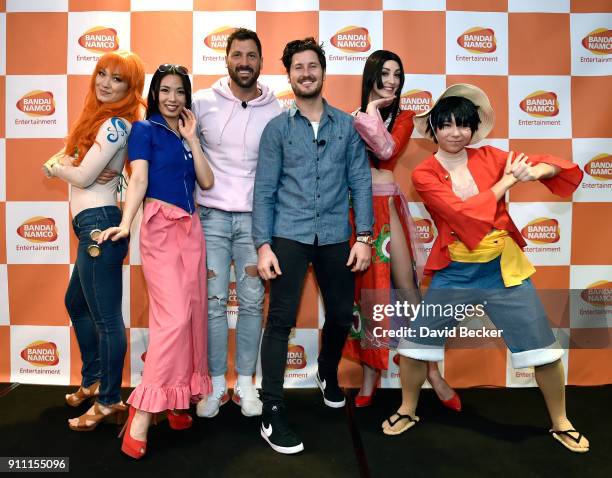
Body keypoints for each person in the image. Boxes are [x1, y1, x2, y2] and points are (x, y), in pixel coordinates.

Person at [384, 83, 589, 454]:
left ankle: (561, 421)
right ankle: (408, 409)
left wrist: (536, 171)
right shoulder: (424, 174)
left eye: (462, 125)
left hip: (502, 269)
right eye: (444, 125)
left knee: (544, 351)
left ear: (473, 128)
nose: (454, 132)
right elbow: (464, 215)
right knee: (415, 347)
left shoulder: (492, 157)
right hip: (455, 272)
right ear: (433, 129)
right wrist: (511, 179)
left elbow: (556, 164)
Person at [253, 38, 374, 454]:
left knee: (341, 313)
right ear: (288, 76)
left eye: (312, 66)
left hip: (338, 236)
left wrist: (364, 237)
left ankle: (327, 370)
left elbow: (361, 181)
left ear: (323, 72)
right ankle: (271, 409)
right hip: (288, 233)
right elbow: (264, 191)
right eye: (298, 68)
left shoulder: (346, 127)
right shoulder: (277, 129)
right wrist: (263, 245)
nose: (306, 73)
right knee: (280, 321)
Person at [97, 64, 214, 459]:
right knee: (175, 317)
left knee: (192, 315)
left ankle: (178, 401)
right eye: (165, 90)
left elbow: (207, 181)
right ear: (153, 94)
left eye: (180, 91)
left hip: (191, 230)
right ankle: (142, 413)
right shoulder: (143, 130)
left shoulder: (183, 134)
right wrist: (126, 223)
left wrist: (194, 140)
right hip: (161, 227)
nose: (172, 98)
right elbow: (140, 181)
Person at [346, 50, 460, 411]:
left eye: (398, 74)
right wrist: (367, 111)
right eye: (385, 73)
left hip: (385, 204)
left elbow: (385, 149)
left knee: (408, 289)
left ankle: (432, 371)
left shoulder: (406, 117)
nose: (392, 80)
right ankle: (370, 373)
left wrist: (373, 112)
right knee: (366, 296)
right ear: (372, 75)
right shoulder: (350, 118)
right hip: (353, 210)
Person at [43, 51, 145, 432]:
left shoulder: (117, 124)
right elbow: (82, 167)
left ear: (129, 86)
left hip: (100, 226)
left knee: (106, 319)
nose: (105, 82)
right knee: (76, 304)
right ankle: (95, 379)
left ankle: (108, 400)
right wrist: (69, 163)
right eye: (101, 73)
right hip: (89, 225)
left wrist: (57, 167)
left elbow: (84, 176)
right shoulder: (98, 121)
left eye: (116, 78)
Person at [191, 28, 283, 419]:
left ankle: (246, 384)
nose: (244, 63)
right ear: (226, 59)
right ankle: (214, 385)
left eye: (251, 56)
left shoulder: (277, 109)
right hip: (209, 216)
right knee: (212, 305)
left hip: (254, 221)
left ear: (260, 63)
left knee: (251, 304)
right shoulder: (201, 102)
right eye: (237, 55)